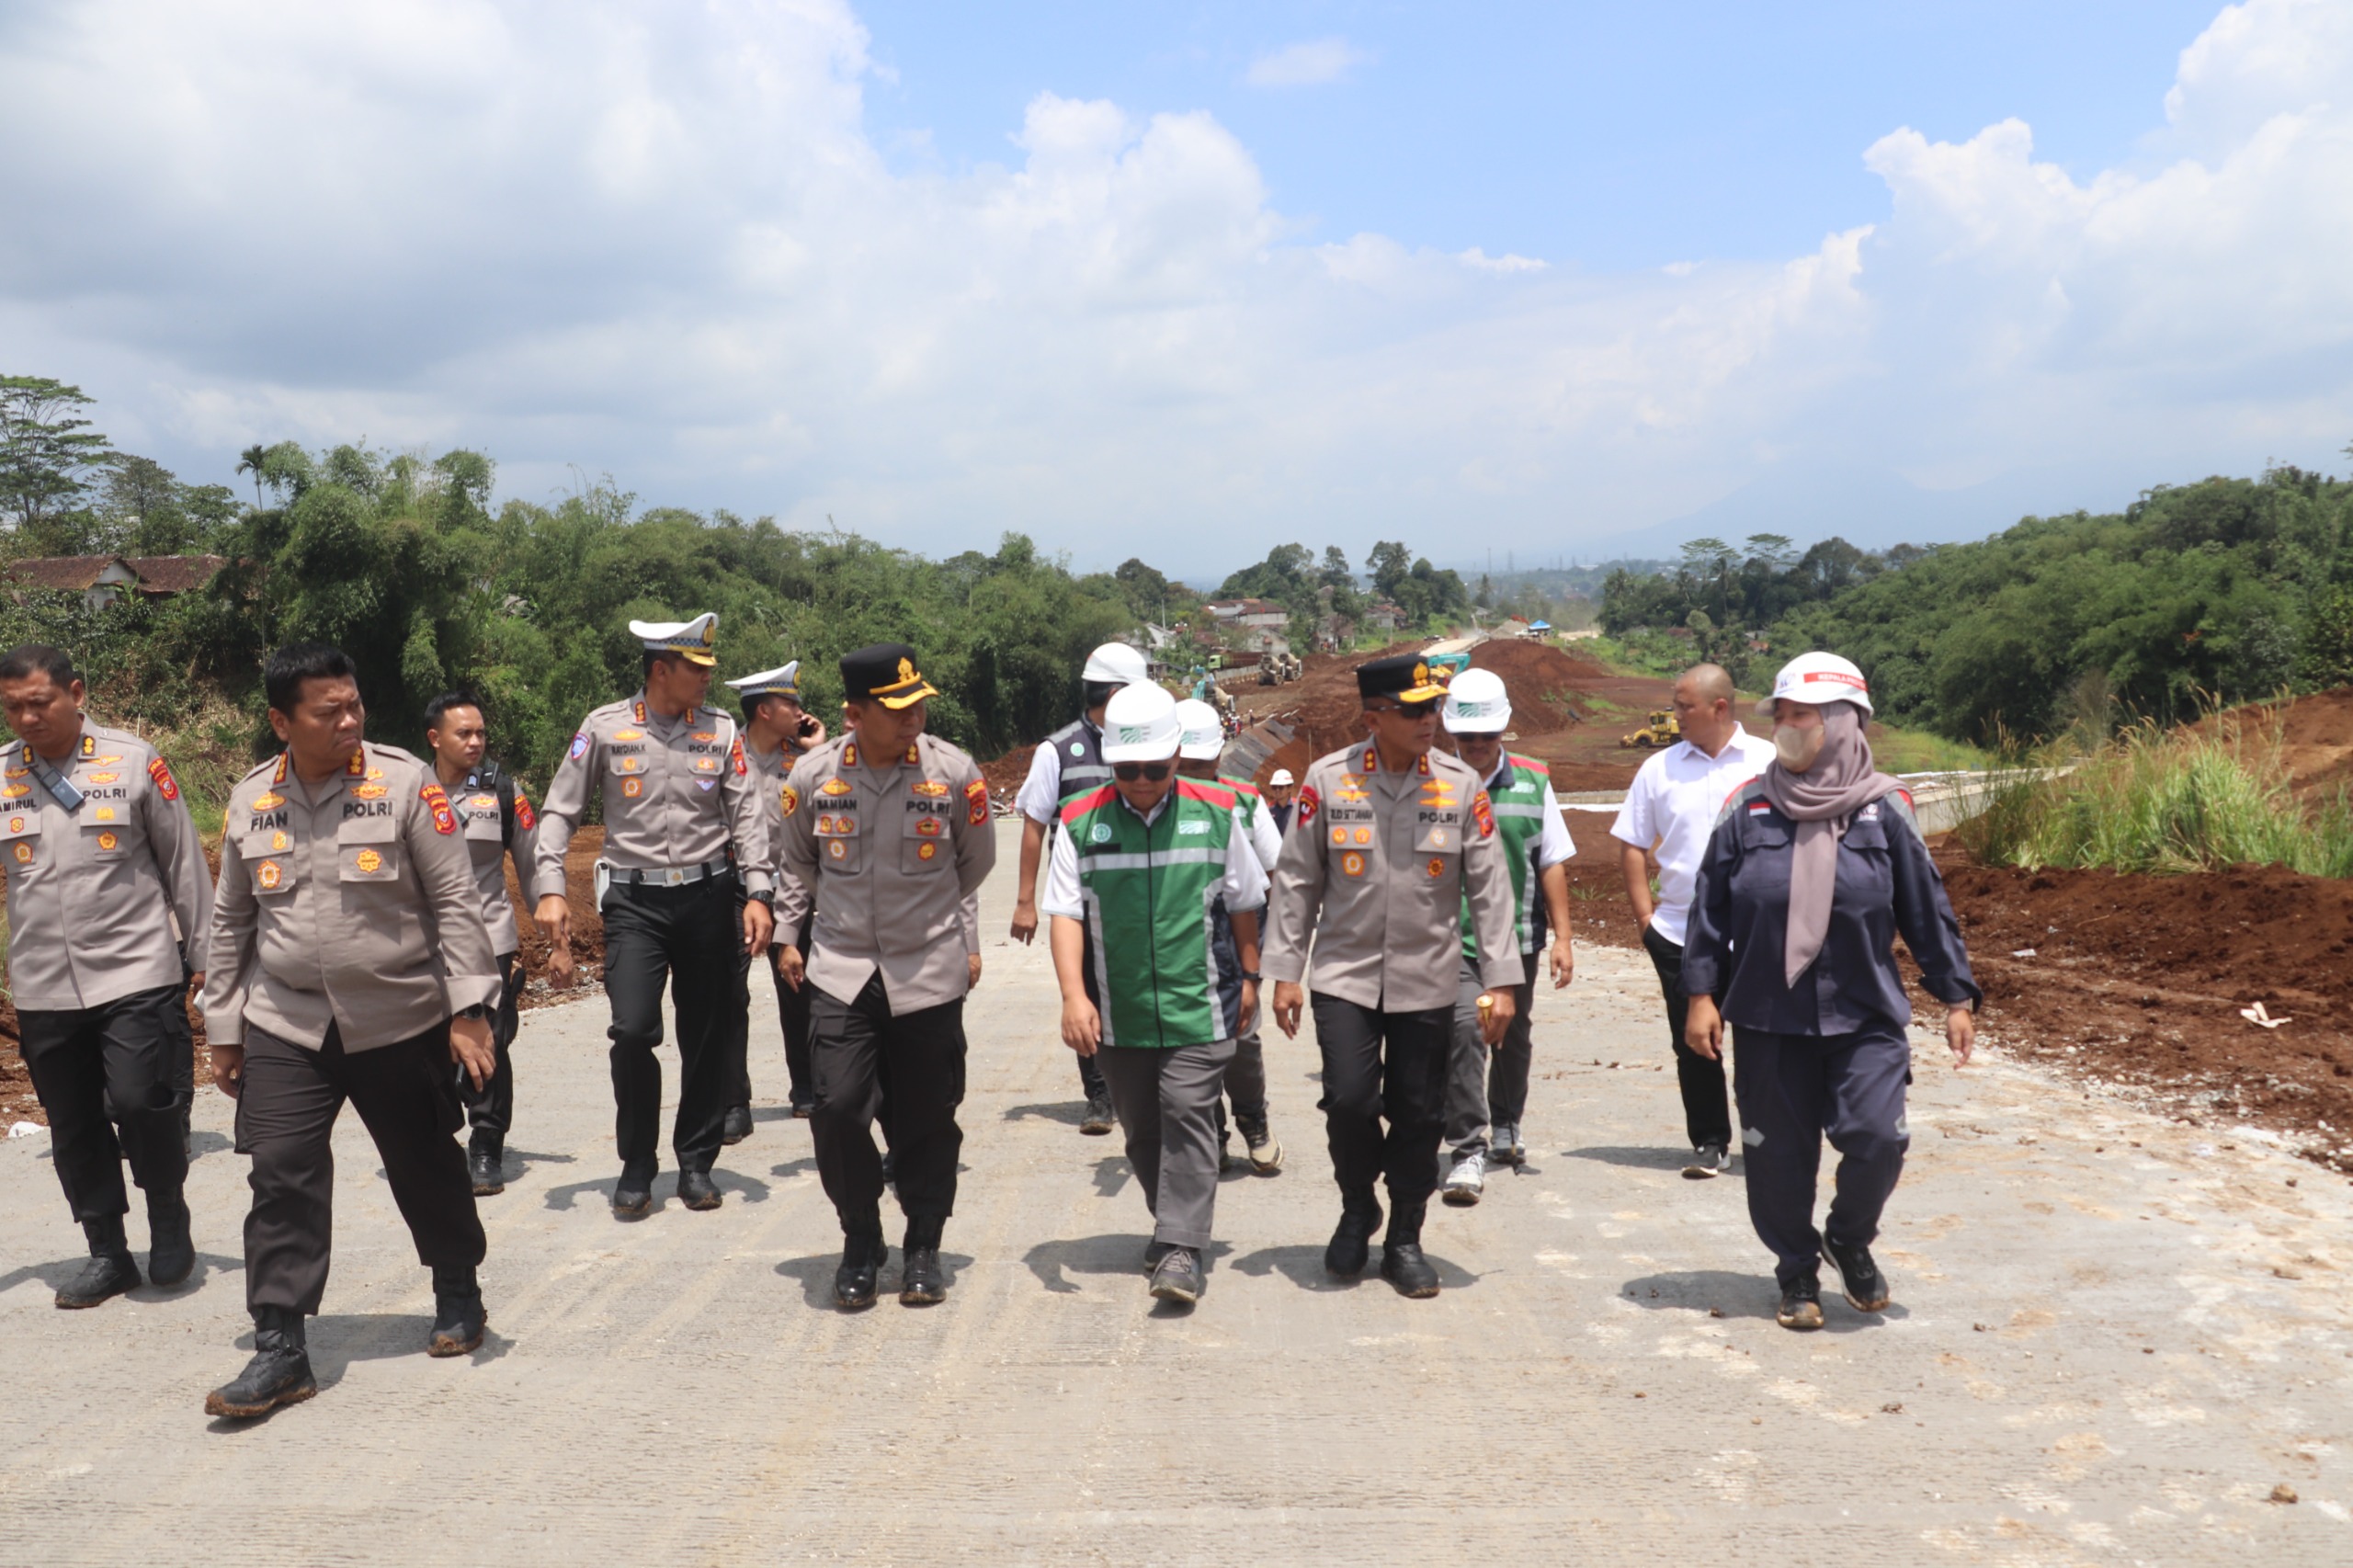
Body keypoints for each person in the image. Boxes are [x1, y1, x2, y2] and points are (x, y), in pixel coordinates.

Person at [199, 642, 502, 1418]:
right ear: (280, 721)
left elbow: (456, 903)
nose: (347, 720)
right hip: (287, 1020)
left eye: (354, 704)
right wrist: (224, 1027)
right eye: (326, 710)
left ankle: (458, 1290)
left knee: (424, 1160)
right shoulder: (249, 800)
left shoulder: (405, 783)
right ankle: (280, 1347)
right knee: (281, 1172)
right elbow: (231, 922)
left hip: (398, 1016)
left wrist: (468, 1010)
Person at [1681, 652, 1981, 1331]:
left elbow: (1925, 909)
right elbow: (1710, 911)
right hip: (1767, 1018)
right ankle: (1795, 1272)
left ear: (1845, 723)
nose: (1786, 728)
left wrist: (1955, 996)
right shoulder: (1746, 808)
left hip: (1864, 1014)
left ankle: (1848, 1237)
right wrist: (1701, 995)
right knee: (1778, 1159)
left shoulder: (1887, 809)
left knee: (1879, 1137)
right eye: (1780, 716)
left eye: (1801, 717)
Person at [1262, 654, 1519, 1298]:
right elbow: (1297, 877)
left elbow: (1490, 891)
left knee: (1419, 1112)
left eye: (1436, 707)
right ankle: (1358, 1207)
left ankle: (1405, 1233)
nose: (1432, 720)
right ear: (1374, 716)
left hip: (1429, 978)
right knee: (1349, 1100)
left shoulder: (1461, 786)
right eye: (1416, 710)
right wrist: (1285, 972)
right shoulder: (1328, 779)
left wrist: (1502, 981)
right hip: (1344, 975)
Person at [533, 614, 776, 1220]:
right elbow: (560, 810)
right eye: (697, 670)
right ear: (660, 671)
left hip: (707, 898)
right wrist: (549, 886)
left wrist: (759, 893)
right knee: (634, 1030)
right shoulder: (605, 727)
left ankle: (695, 1161)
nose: (707, 681)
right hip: (635, 902)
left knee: (706, 1033)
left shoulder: (720, 730)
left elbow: (746, 816)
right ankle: (637, 1162)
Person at [777, 644, 996, 1310]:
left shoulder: (954, 773)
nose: (914, 717)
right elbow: (801, 861)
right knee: (837, 1108)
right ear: (854, 713)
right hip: (843, 970)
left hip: (927, 969)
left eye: (919, 703)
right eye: (897, 708)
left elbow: (973, 862)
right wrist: (814, 928)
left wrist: (937, 929)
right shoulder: (813, 777)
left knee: (928, 1116)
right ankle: (861, 1234)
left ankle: (924, 1243)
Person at [0, 642, 210, 1308]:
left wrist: (207, 958)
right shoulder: (2, 774)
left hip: (136, 968)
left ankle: (168, 1213)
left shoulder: (133, 761)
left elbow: (184, 864)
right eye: (13, 709)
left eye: (40, 703)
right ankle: (108, 1252)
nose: (28, 719)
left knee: (143, 1100)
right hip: (42, 982)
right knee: (73, 1122)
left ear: (76, 692)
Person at [1046, 685, 1267, 1306]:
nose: (1141, 781)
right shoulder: (1080, 821)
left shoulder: (1219, 814)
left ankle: (1179, 1247)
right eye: (1127, 769)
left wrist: (1251, 976)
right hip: (1121, 1009)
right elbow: (1064, 913)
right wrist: (1072, 995)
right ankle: (1174, 1223)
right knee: (1143, 1129)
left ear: (1176, 756)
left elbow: (1246, 901)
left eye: (1154, 768)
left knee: (1188, 1112)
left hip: (1203, 1001)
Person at [1608, 664, 1775, 1177]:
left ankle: (1764, 1138)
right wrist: (1645, 920)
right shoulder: (1659, 769)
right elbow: (1632, 846)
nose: (1674, 715)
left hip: (1757, 935)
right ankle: (1709, 1141)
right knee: (1693, 1042)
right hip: (1680, 932)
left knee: (1762, 1042)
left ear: (1718, 708)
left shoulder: (1769, 762)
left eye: (1683, 706)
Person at [1436, 669, 1575, 1205]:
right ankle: (1467, 1145)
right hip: (1450, 940)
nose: (1474, 748)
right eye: (1465, 738)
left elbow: (1552, 862)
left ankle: (1506, 1124)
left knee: (1511, 1035)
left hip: (1517, 938)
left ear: (1504, 732)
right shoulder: (1431, 779)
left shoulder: (1534, 781)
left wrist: (1562, 937)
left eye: (1485, 738)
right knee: (1466, 1032)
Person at [1007, 642, 1149, 1135]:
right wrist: (1026, 901)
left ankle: (1139, 1085)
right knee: (1085, 993)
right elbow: (1033, 826)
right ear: (1111, 694)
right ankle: (1100, 1095)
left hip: (1140, 898)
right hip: (1082, 906)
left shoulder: (1143, 742)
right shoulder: (1059, 750)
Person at [422, 692, 545, 1198]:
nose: (475, 742)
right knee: (427, 1045)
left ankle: (487, 1143)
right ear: (435, 738)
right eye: (463, 734)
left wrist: (554, 935)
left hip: (487, 936)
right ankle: (435, 1135)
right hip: (422, 944)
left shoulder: (502, 792)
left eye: (480, 734)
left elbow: (534, 866)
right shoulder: (406, 790)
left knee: (487, 1038)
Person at [1171, 698, 1283, 1176]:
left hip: (1238, 939)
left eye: (1203, 765)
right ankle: (1211, 1130)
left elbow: (1277, 870)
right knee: (1191, 1045)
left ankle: (1253, 1120)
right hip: (1180, 937)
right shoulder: (1157, 798)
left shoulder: (1245, 799)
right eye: (1187, 766)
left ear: (1218, 757)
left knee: (1243, 1040)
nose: (1196, 774)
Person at [722, 662, 828, 1127]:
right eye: (790, 704)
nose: (799, 711)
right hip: (735, 889)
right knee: (729, 996)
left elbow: (831, 813)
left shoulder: (801, 760)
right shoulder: (725, 755)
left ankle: (806, 1087)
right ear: (764, 711)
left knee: (798, 988)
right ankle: (733, 1102)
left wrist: (817, 754)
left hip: (790, 891)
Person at [1263, 768, 1298, 835]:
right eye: (1274, 787)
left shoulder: (1298, 807)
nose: (1277, 790)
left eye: (1281, 787)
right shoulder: (1269, 809)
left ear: (1289, 788)